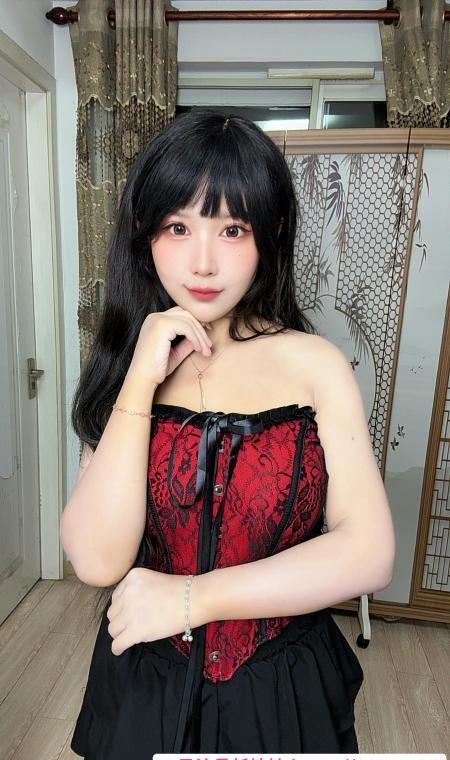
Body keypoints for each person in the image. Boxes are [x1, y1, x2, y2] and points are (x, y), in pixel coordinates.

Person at [61, 109, 395, 759]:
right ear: (145, 233)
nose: (204, 262)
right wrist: (139, 378)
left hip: (280, 690)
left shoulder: (315, 365)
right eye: (178, 227)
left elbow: (369, 552)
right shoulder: (124, 366)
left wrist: (193, 598)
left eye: (232, 229)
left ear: (270, 234)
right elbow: (97, 560)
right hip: (145, 682)